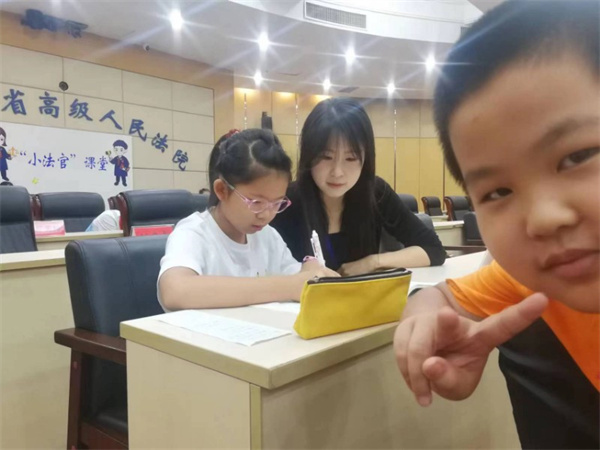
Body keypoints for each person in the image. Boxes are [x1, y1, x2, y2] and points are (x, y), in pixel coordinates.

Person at [393, 1, 599, 448]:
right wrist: (423, 320)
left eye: (577, 156)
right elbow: (440, 295)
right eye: (497, 192)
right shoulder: (534, 278)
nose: (543, 218)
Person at [158, 128, 338, 311]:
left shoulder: (267, 236)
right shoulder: (193, 233)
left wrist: (309, 268)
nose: (266, 214)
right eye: (256, 202)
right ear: (222, 190)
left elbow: (297, 276)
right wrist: (288, 287)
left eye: (276, 203)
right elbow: (175, 292)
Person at [271, 97, 446, 276]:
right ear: (309, 155)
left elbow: (433, 249)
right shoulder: (284, 203)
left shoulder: (376, 193)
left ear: (365, 158)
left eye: (350, 158)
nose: (337, 172)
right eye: (326, 157)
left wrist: (373, 262)